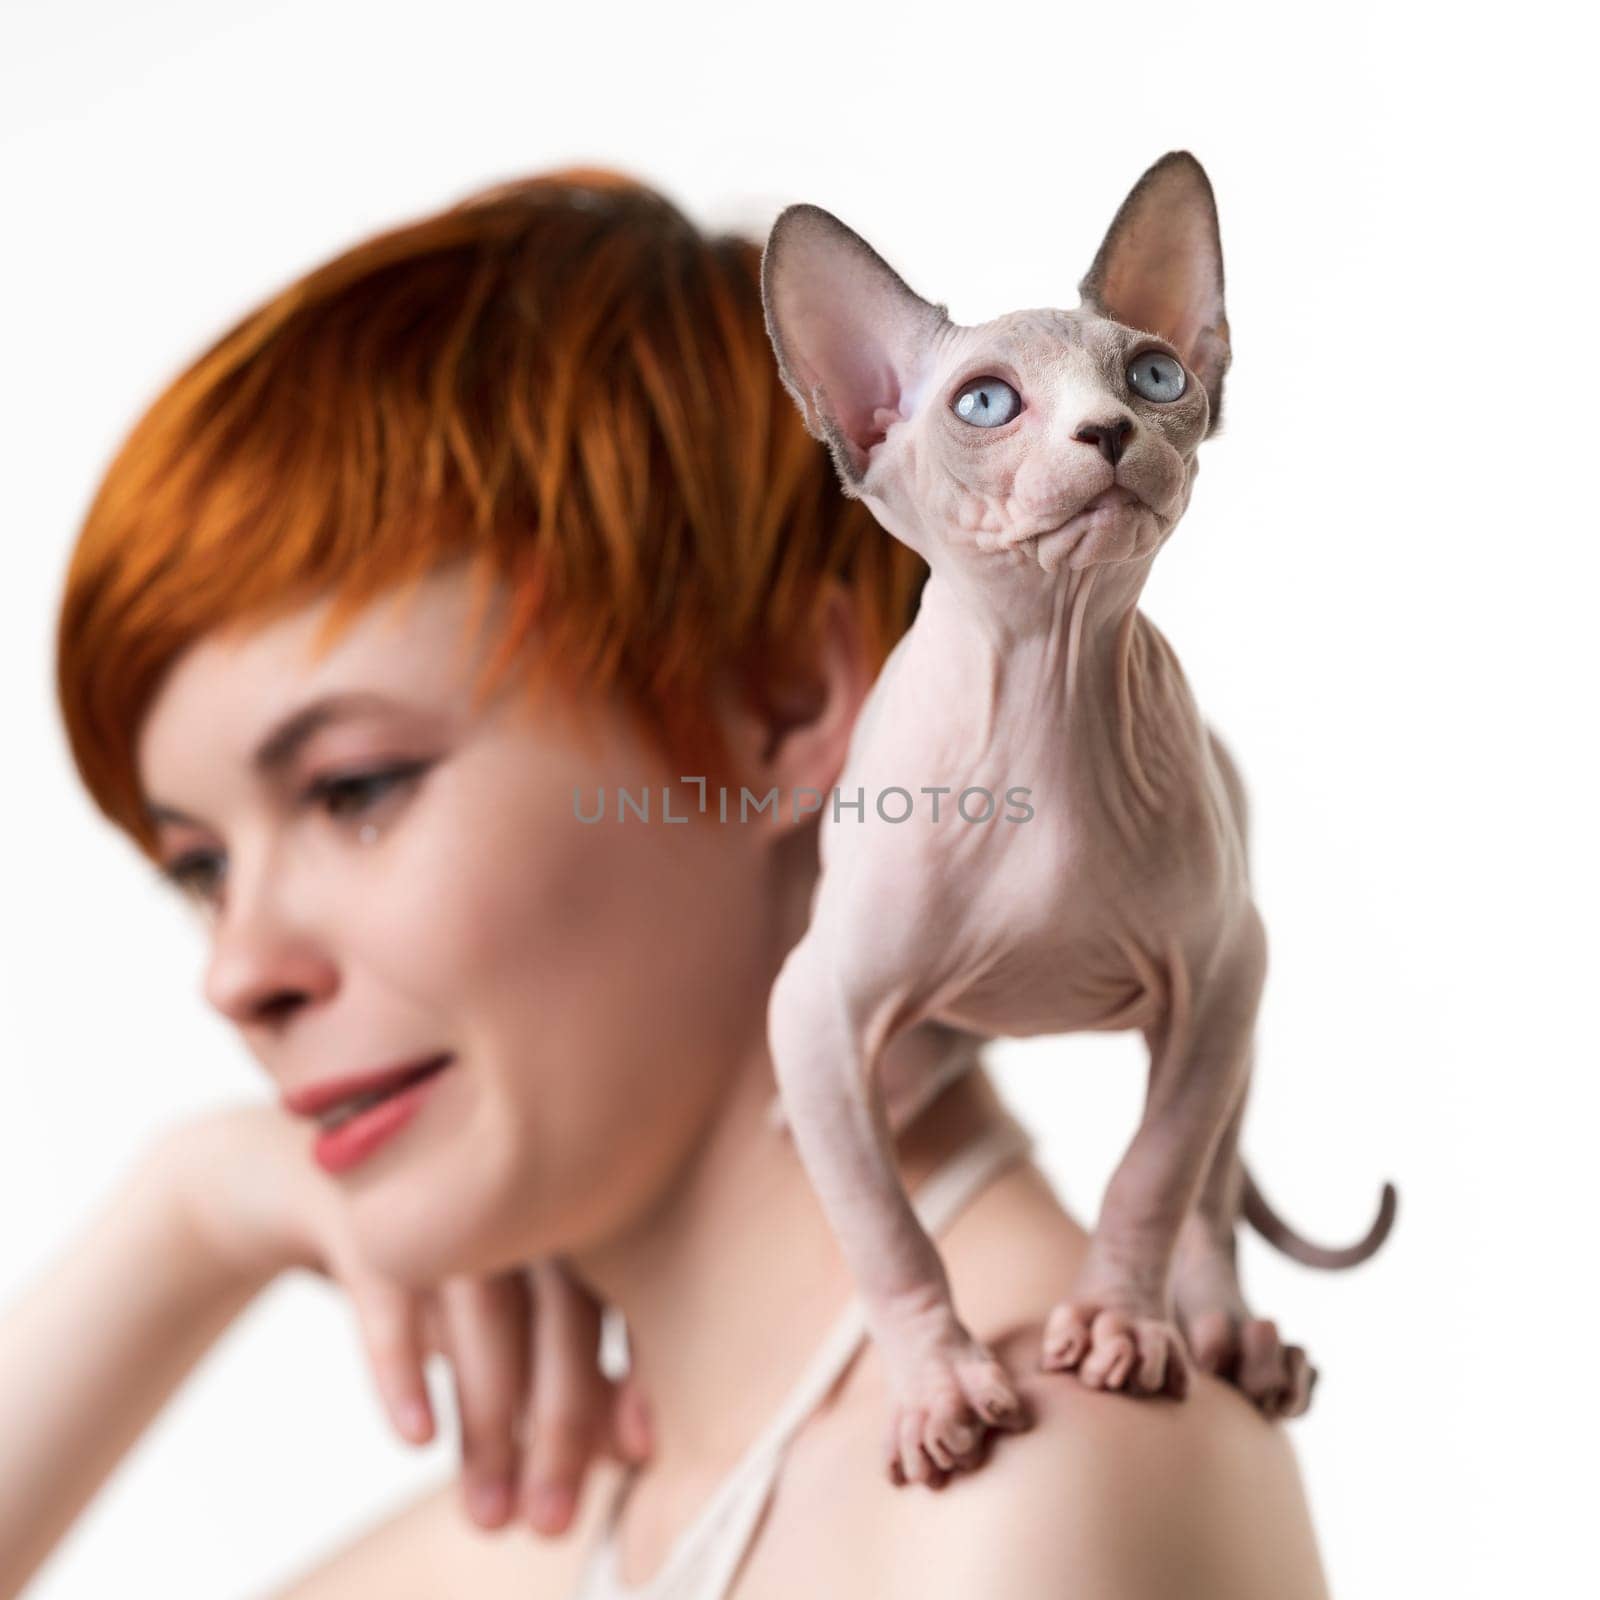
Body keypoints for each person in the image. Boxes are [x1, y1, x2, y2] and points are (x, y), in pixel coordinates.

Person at [3, 169, 1331, 1598]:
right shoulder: (578, 1525)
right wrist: (197, 1209)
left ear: (774, 708)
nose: (235, 973)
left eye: (354, 790)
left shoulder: (1039, 1487)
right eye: (196, 867)